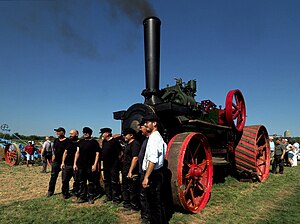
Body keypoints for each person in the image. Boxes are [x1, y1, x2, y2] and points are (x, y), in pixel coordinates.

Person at [141, 114, 167, 224]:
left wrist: (146, 177)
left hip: (152, 174)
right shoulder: (159, 137)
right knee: (157, 202)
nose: (145, 125)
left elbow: (152, 160)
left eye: (147, 122)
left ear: (154, 124)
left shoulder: (153, 138)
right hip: (158, 173)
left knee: (153, 204)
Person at [73, 127, 101, 204]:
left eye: (87, 132)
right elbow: (77, 153)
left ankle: (91, 197)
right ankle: (83, 197)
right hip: (81, 165)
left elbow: (97, 154)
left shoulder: (94, 142)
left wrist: (95, 164)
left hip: (90, 165)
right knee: (82, 182)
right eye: (84, 132)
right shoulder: (80, 142)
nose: (85, 134)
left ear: (90, 133)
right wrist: (75, 163)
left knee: (91, 182)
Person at [101, 127, 123, 203]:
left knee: (114, 181)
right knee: (107, 181)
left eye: (103, 133)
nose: (102, 135)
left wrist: (117, 162)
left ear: (107, 133)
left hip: (113, 165)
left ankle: (116, 198)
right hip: (106, 165)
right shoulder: (104, 142)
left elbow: (120, 153)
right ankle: (108, 196)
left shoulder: (114, 142)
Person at [121, 128, 140, 213]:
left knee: (132, 189)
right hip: (125, 169)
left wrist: (130, 171)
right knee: (125, 188)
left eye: (125, 135)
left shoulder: (135, 144)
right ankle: (127, 205)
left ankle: (134, 207)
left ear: (131, 135)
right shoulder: (128, 144)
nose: (124, 136)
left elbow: (135, 158)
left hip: (131, 170)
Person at [47, 127, 71, 197]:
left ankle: (65, 192)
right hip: (56, 162)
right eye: (56, 131)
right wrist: (53, 159)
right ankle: (50, 191)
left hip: (65, 162)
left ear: (62, 132)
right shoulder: (56, 140)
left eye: (58, 131)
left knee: (64, 178)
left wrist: (63, 162)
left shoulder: (68, 141)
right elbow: (54, 150)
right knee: (53, 177)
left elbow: (66, 152)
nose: (56, 132)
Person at [60, 129, 80, 199]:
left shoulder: (80, 143)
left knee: (77, 180)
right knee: (65, 180)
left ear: (76, 134)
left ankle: (76, 193)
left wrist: (75, 164)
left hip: (76, 165)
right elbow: (65, 152)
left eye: (72, 134)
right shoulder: (68, 142)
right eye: (70, 134)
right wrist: (62, 162)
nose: (70, 135)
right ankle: (65, 193)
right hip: (67, 164)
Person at [138, 120, 151, 224]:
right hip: (142, 171)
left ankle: (147, 217)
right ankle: (144, 214)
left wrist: (146, 176)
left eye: (141, 127)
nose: (140, 129)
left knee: (146, 195)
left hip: (148, 172)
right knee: (143, 194)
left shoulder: (152, 140)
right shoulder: (145, 140)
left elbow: (152, 160)